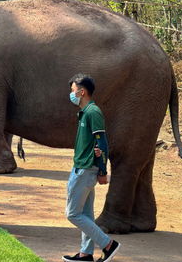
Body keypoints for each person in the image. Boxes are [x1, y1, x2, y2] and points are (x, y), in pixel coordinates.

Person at [63, 74, 120, 262]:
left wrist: (103, 171)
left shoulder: (92, 112)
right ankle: (85, 254)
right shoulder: (85, 112)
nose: (71, 94)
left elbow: (102, 143)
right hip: (82, 168)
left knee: (72, 214)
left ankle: (108, 245)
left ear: (82, 91)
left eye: (73, 90)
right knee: (86, 214)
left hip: (85, 170)